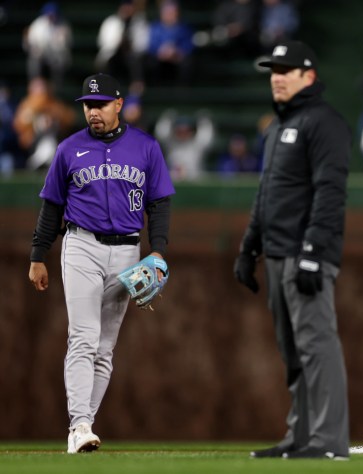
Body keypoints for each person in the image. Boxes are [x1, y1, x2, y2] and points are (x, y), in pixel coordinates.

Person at [28, 73, 175, 454]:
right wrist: (37, 255)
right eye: (88, 105)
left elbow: (159, 204)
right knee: (83, 337)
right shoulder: (68, 148)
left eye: (100, 104)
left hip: (127, 250)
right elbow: (51, 206)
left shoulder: (146, 147)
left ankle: (82, 426)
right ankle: (79, 425)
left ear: (119, 104)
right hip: (81, 247)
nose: (93, 111)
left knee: (104, 349)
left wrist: (157, 251)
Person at [234, 40, 351, 460]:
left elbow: (330, 193)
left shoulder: (324, 122)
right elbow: (267, 194)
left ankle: (328, 442)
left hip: (305, 255)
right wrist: (249, 247)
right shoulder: (276, 128)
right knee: (294, 354)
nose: (277, 77)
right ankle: (301, 437)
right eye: (273, 70)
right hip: (278, 255)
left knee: (317, 346)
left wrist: (312, 252)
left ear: (309, 76)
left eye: (286, 69)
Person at [12, 76, 76, 170]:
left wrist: (53, 119)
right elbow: (18, 125)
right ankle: (42, 161)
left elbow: (70, 118)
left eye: (42, 87)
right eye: (37, 88)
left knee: (50, 139)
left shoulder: (54, 103)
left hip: (55, 138)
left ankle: (40, 161)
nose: (40, 91)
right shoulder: (27, 104)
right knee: (42, 123)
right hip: (33, 141)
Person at [94, 0, 150, 94]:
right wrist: (117, 43)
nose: (127, 10)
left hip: (132, 57)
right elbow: (102, 43)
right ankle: (107, 88)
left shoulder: (140, 23)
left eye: (130, 7)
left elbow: (143, 45)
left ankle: (136, 88)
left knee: (135, 60)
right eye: (125, 7)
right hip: (113, 55)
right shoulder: (111, 22)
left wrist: (130, 45)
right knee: (108, 62)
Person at [23, 2, 72, 92]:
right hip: (40, 56)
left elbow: (65, 46)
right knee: (34, 63)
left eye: (53, 14)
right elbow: (30, 44)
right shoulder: (37, 25)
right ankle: (35, 90)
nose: (51, 17)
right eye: (49, 14)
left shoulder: (63, 26)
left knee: (59, 64)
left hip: (56, 58)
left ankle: (56, 91)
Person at [154, 108, 215, 180]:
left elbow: (206, 135)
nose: (183, 134)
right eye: (179, 131)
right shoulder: (170, 143)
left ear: (192, 131)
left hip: (195, 182)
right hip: (173, 183)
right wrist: (168, 116)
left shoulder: (198, 144)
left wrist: (203, 118)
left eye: (186, 131)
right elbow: (161, 133)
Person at [146, 0, 195, 86]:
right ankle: (157, 90)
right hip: (159, 58)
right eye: (167, 13)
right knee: (150, 63)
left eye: (173, 12)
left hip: (177, 58)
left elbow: (189, 45)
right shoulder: (155, 27)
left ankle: (182, 92)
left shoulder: (184, 27)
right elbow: (151, 45)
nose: (170, 15)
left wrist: (178, 52)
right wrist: (160, 51)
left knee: (188, 63)